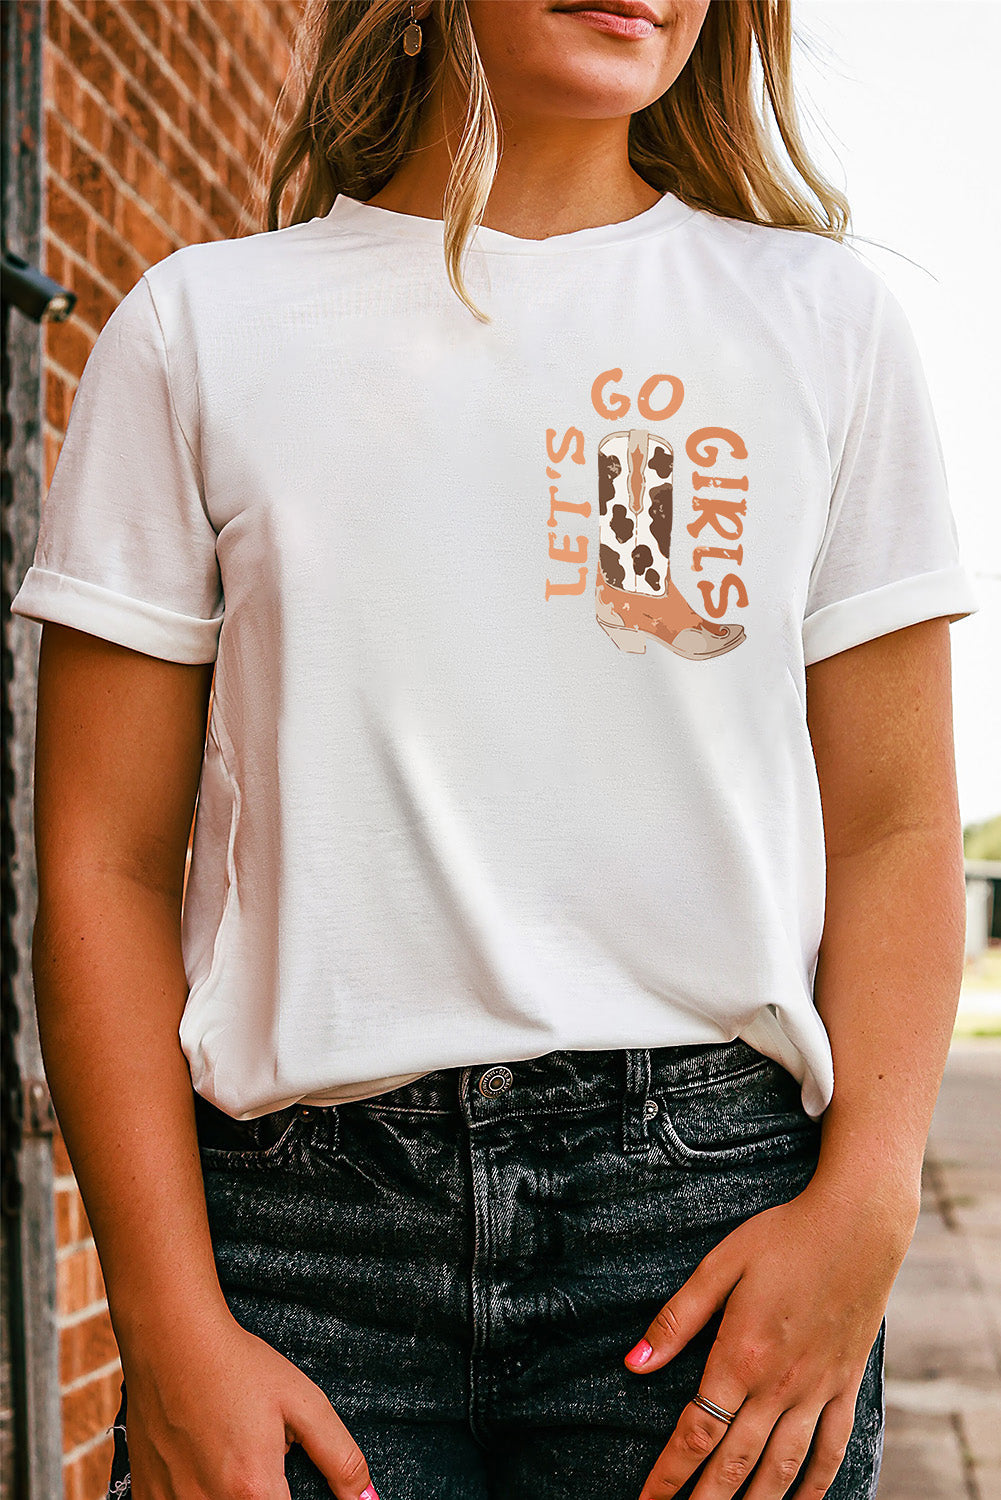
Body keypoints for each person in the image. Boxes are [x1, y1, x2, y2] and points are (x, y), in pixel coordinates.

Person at [9, 2, 981, 1498]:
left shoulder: (813, 322)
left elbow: (897, 826)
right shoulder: (201, 328)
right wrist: (164, 1312)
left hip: (695, 1221)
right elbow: (102, 860)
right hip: (297, 1250)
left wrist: (864, 1213)